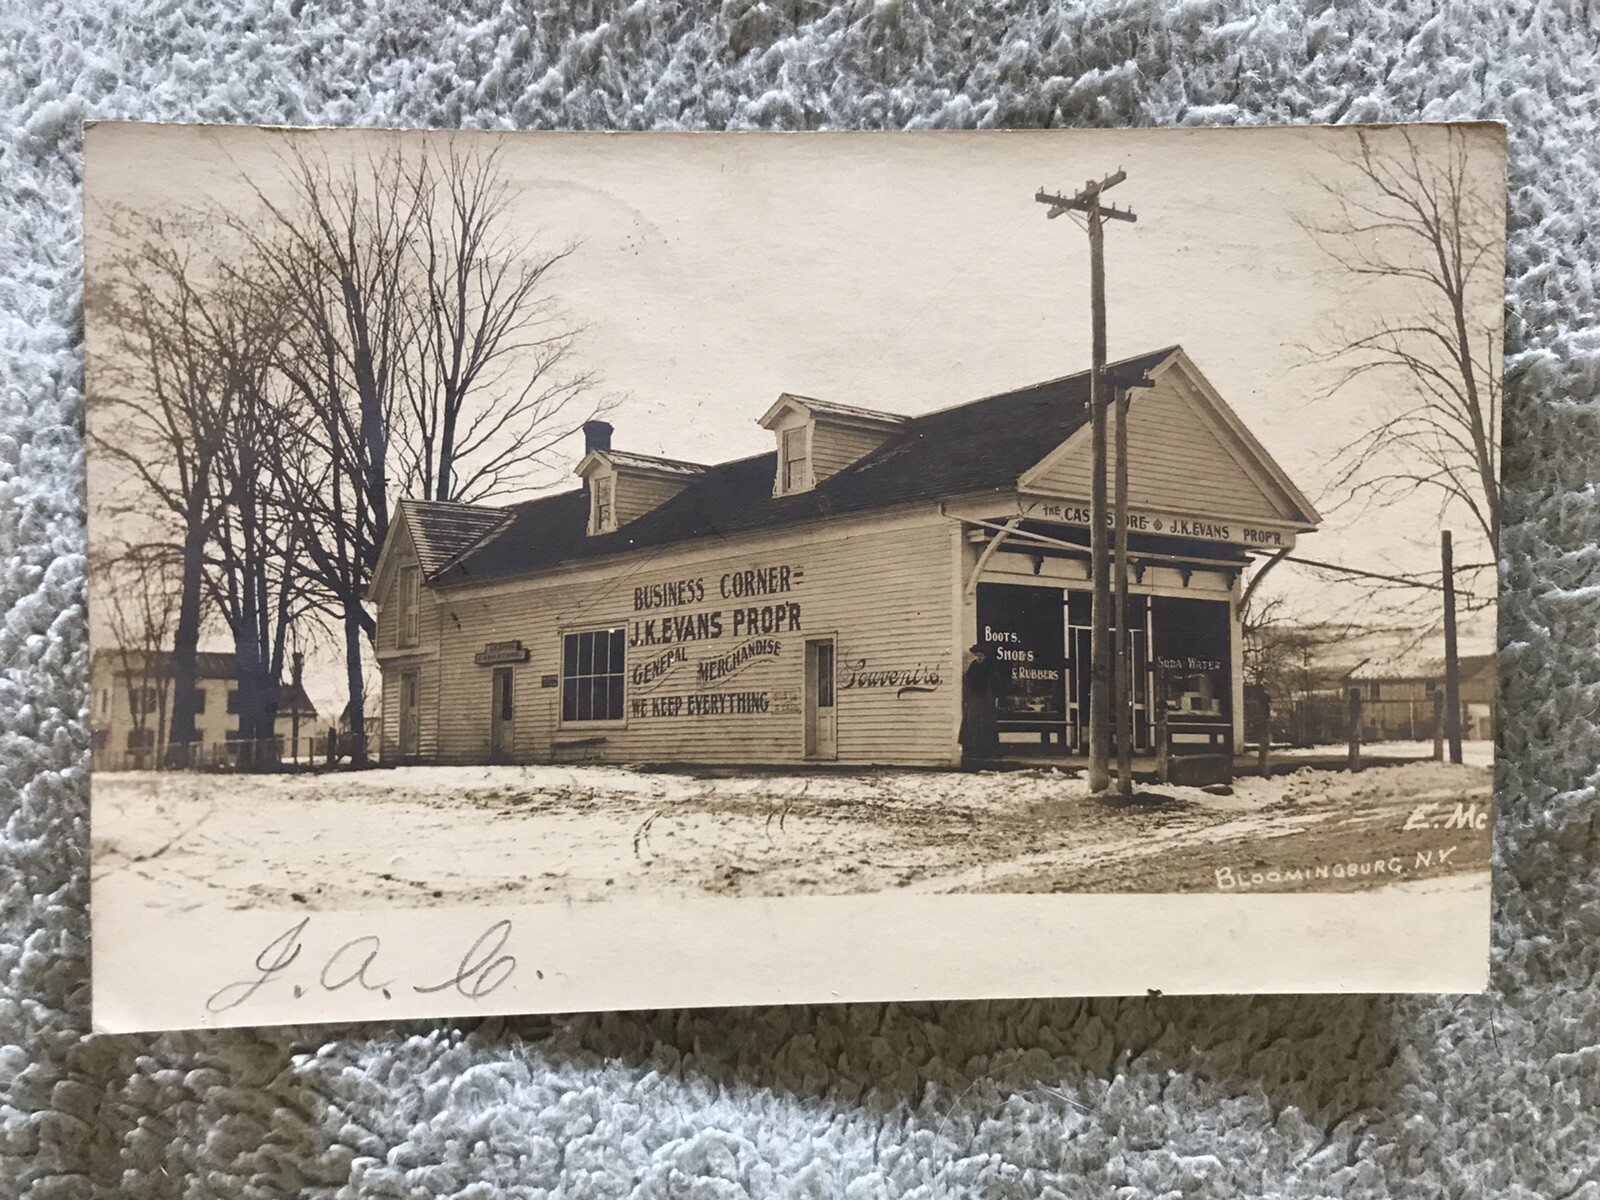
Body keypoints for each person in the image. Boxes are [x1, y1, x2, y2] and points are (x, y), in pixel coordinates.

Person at [960, 642, 1003, 767]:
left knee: (986, 725)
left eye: (981, 656)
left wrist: (994, 697)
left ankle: (987, 750)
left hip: (986, 701)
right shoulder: (972, 669)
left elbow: (997, 686)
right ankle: (973, 749)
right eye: (978, 655)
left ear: (986, 657)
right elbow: (967, 683)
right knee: (973, 725)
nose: (979, 658)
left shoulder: (991, 670)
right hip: (974, 700)